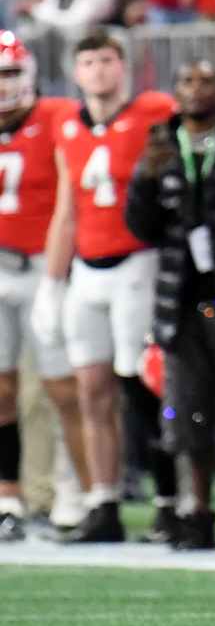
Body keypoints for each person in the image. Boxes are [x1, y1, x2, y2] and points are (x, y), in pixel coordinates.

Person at [121, 59, 215, 550]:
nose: (197, 90)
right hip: (181, 300)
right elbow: (141, 228)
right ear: (175, 91)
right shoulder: (161, 148)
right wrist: (144, 178)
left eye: (208, 81)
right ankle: (196, 510)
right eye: (188, 81)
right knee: (186, 411)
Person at [41, 31, 179, 543]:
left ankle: (168, 499)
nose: (98, 70)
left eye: (106, 60)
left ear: (123, 66)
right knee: (91, 389)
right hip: (87, 268)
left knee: (142, 385)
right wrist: (52, 282)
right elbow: (66, 209)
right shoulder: (66, 125)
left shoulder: (154, 112)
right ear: (76, 72)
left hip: (138, 263)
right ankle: (104, 500)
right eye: (89, 62)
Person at [0, 34, 81, 539]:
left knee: (60, 387)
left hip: (42, 269)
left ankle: (71, 490)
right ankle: (8, 494)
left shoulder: (56, 116)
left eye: (10, 73)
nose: (4, 85)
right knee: (2, 389)